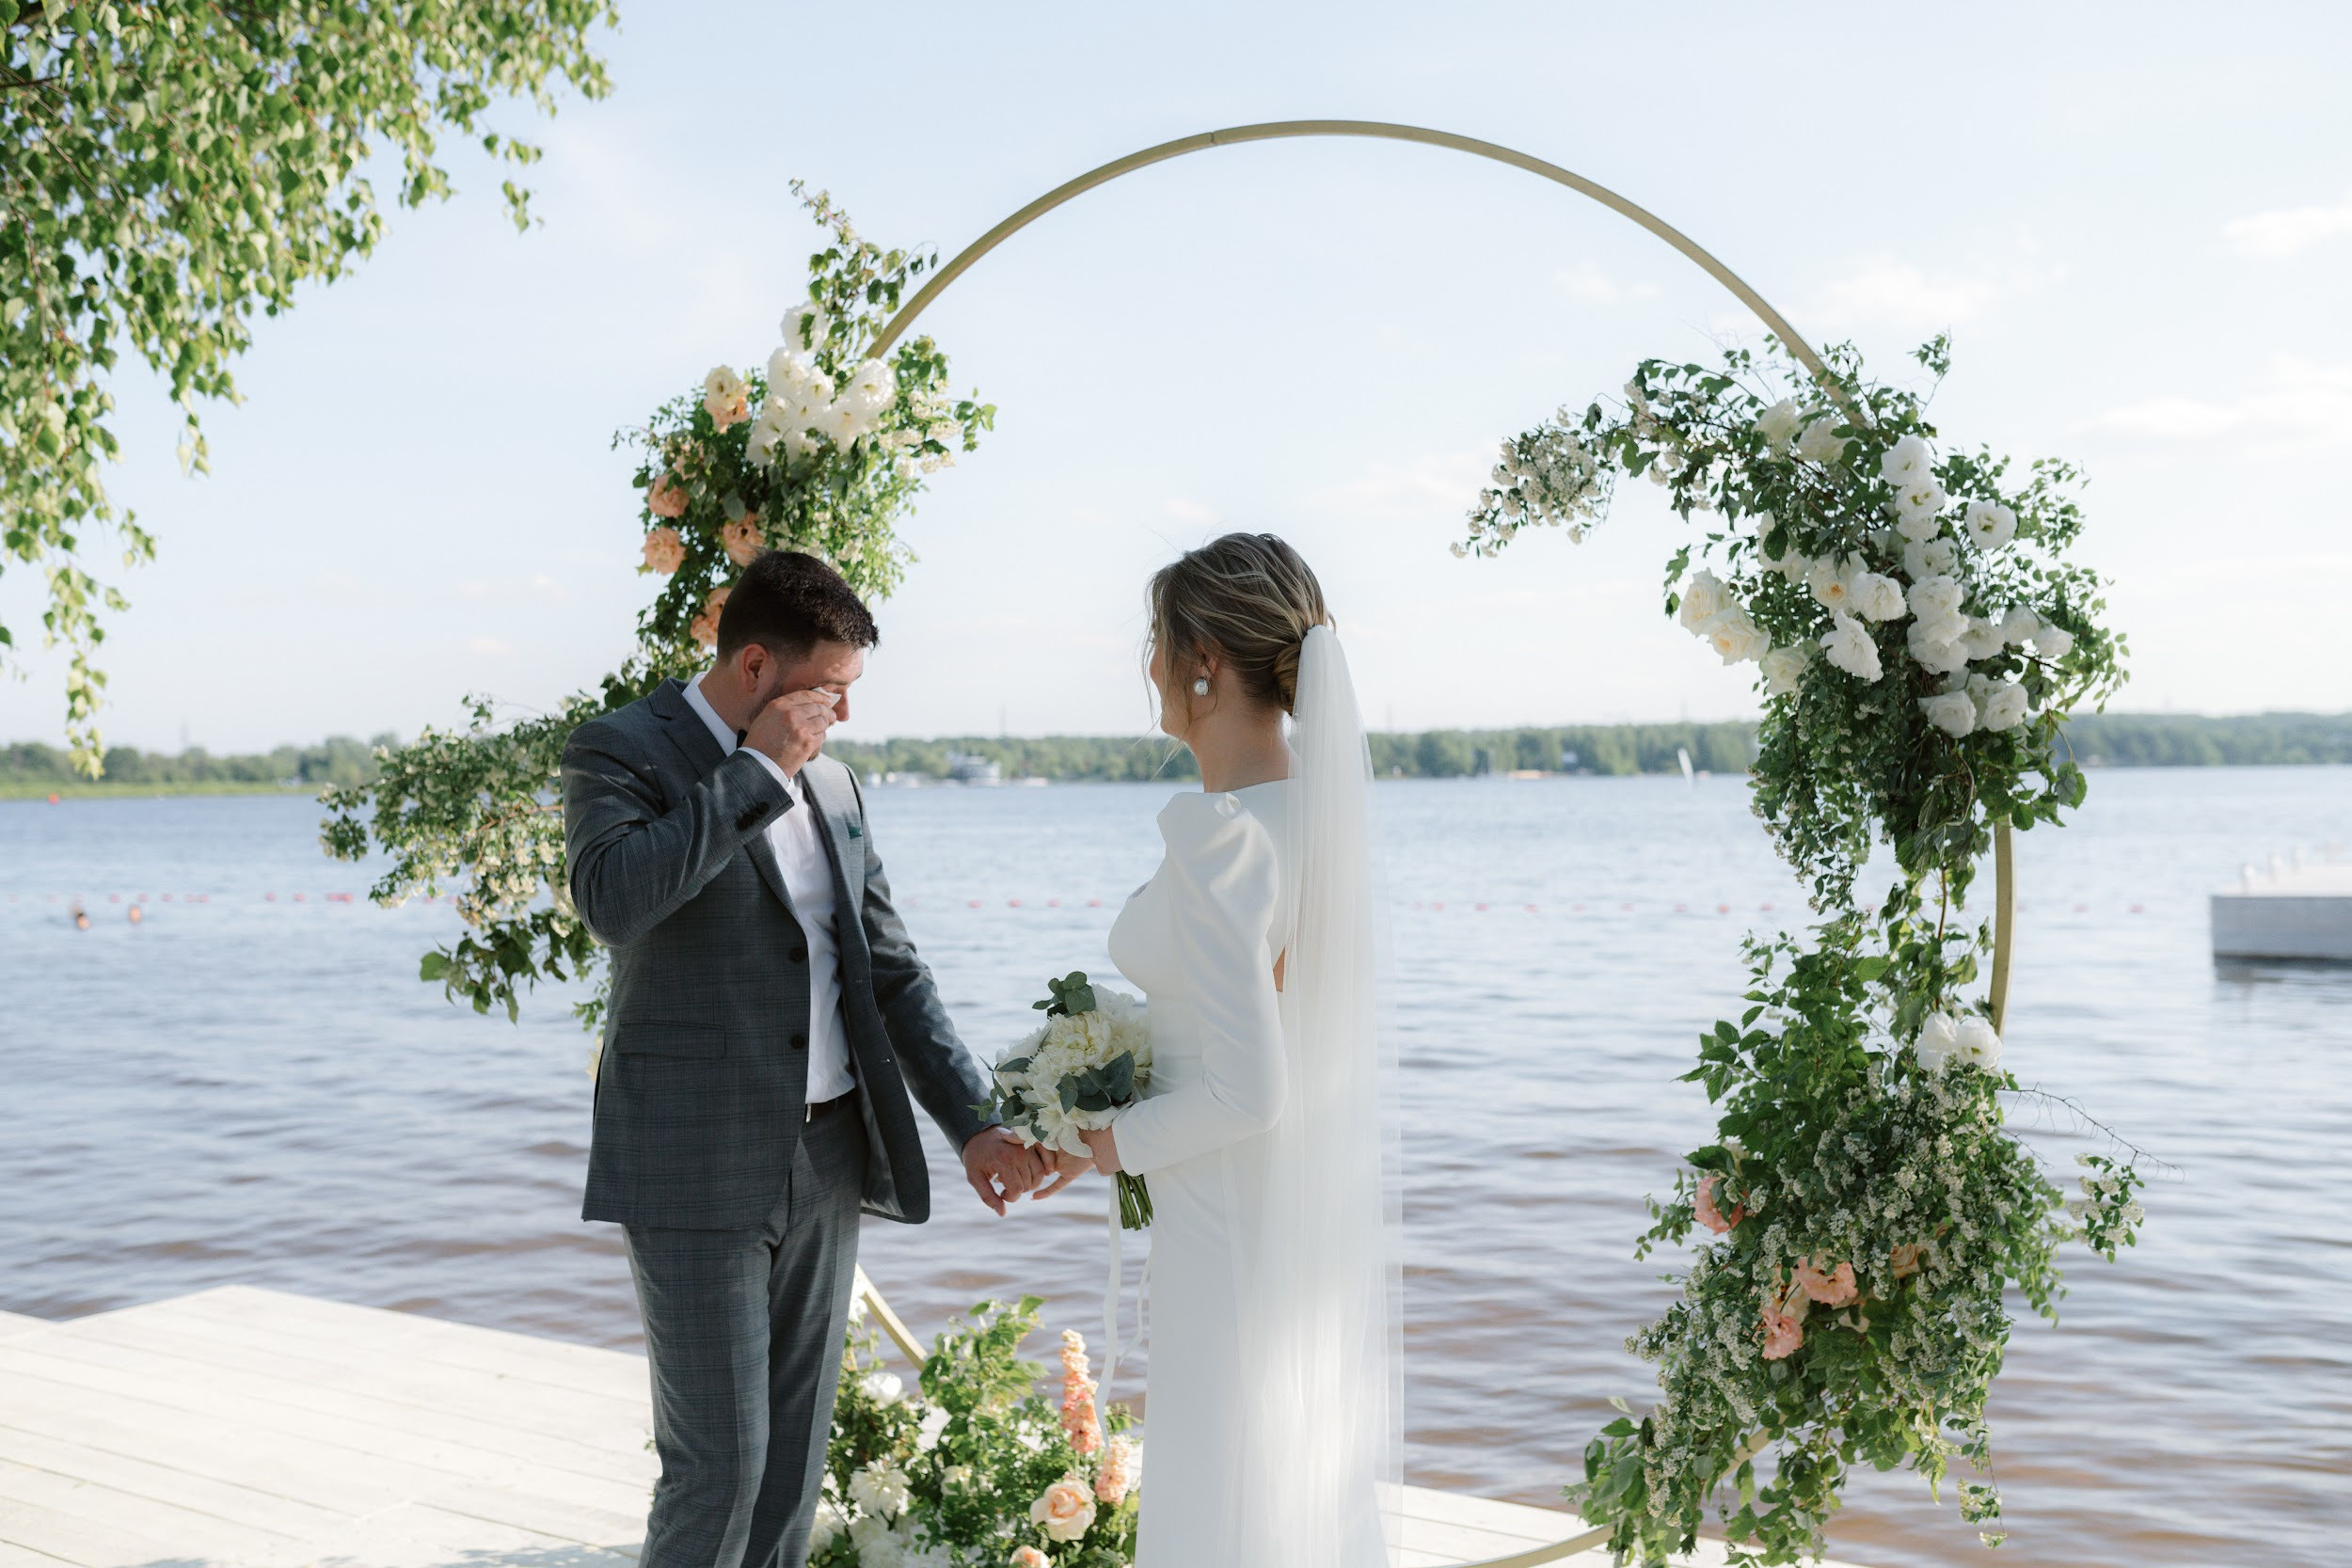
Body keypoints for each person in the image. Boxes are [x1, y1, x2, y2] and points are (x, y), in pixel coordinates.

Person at [561, 549, 1043, 1568]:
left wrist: (975, 1121)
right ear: (752, 668)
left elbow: (890, 973)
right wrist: (753, 772)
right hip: (694, 1165)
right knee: (718, 1467)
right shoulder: (620, 750)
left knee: (790, 1464)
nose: (845, 715)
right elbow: (612, 901)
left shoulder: (836, 779)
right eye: (830, 689)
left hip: (828, 1158)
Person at [1045, 532, 1402, 1567]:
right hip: (1275, 1210)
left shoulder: (1225, 837)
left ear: (1200, 655)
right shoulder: (1312, 821)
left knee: (1222, 1489)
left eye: (1155, 644)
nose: (1148, 668)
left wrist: (1113, 1144)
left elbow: (1250, 1088)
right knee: (1275, 1481)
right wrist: (1096, 1115)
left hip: (1225, 1217)